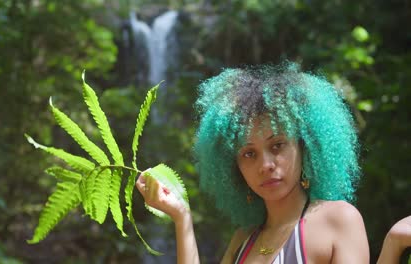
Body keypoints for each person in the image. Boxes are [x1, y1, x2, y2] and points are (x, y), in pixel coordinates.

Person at [136, 62, 408, 263]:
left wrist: (394, 243)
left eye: (277, 146)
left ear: (305, 146)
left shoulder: (338, 219)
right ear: (235, 167)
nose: (265, 164)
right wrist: (181, 216)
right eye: (248, 153)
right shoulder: (243, 239)